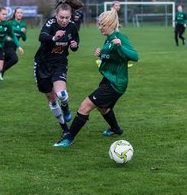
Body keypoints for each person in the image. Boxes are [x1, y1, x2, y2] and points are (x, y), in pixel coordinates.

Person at [53, 9, 139, 147]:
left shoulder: (120, 38)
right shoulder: (109, 39)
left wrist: (120, 46)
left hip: (115, 83)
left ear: (109, 24)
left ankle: (69, 138)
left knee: (84, 106)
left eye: (102, 25)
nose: (99, 27)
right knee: (103, 108)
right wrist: (101, 54)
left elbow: (135, 56)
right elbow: (112, 57)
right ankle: (116, 129)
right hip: (109, 80)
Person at [34, 0, 83, 136]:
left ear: (70, 16)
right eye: (61, 17)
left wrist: (75, 45)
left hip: (59, 63)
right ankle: (64, 128)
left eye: (67, 18)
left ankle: (66, 107)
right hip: (42, 64)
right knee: (51, 98)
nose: (64, 20)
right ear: (56, 15)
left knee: (61, 94)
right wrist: (54, 38)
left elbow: (75, 43)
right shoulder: (50, 23)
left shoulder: (72, 26)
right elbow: (42, 37)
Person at [0, 7, 27, 80]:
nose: (20, 14)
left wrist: (23, 33)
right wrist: (19, 29)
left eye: (21, 13)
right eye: (18, 12)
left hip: (15, 45)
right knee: (14, 59)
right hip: (7, 45)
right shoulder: (10, 23)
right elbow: (11, 29)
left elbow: (24, 39)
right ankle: (1, 70)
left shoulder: (23, 24)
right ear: (15, 14)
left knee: (5, 61)